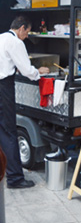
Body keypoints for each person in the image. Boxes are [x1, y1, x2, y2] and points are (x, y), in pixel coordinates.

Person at [0, 16, 50, 189]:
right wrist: (39, 72)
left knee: (1, 132)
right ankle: (15, 178)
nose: (27, 36)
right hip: (3, 88)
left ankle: (5, 170)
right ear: (21, 28)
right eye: (27, 32)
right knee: (9, 132)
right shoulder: (16, 43)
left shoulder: (1, 38)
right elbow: (27, 70)